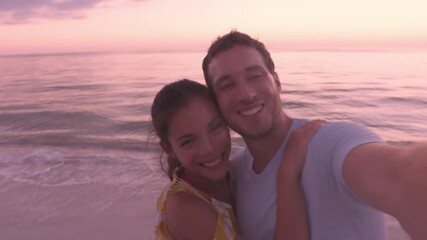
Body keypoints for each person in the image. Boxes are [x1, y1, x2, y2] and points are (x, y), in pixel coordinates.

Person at [202, 30, 427, 240]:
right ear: (215, 102)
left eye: (255, 76)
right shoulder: (236, 170)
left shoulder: (328, 142)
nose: (246, 94)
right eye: (227, 85)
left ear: (277, 81)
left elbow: (399, 173)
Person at [151, 79, 323, 239]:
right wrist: (288, 173)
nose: (209, 148)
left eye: (216, 127)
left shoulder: (233, 174)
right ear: (169, 148)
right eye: (188, 141)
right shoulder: (185, 208)